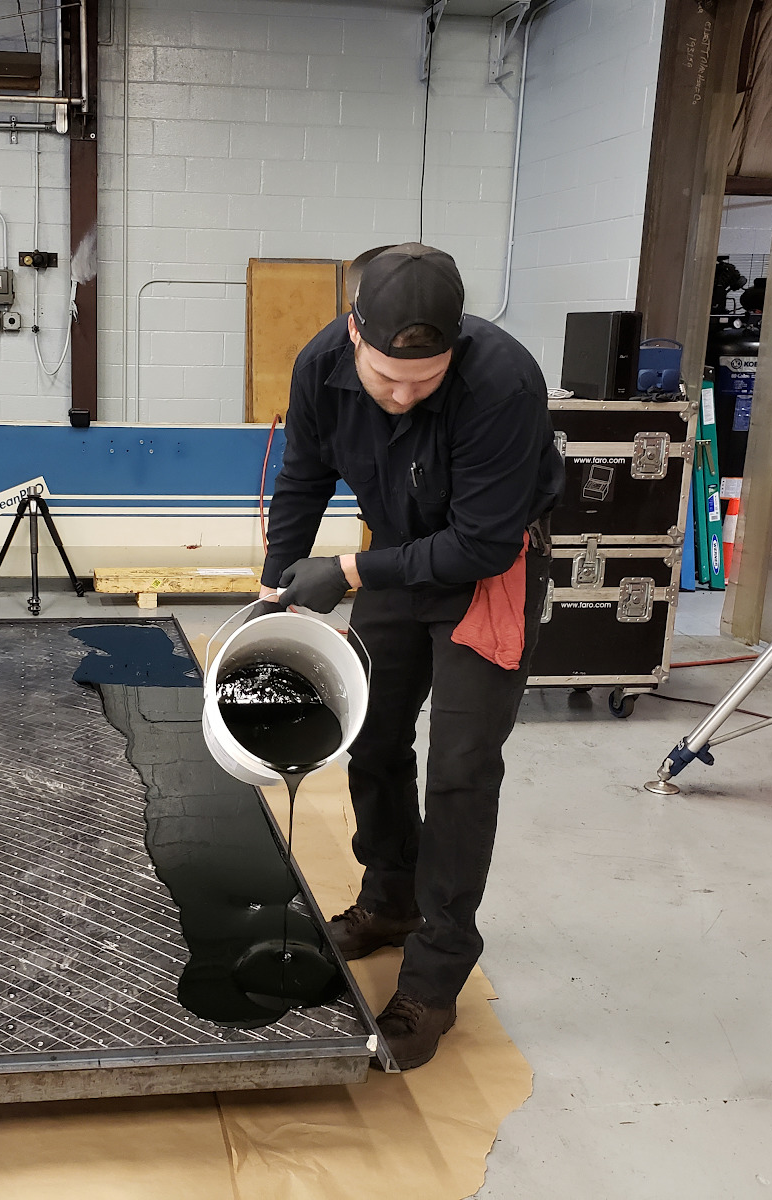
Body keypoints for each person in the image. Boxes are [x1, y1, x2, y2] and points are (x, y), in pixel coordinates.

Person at [256, 243, 562, 1069]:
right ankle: (388, 898)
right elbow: (303, 477)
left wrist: (348, 570)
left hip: (488, 568)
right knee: (372, 734)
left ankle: (434, 979)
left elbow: (478, 544)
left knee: (462, 768)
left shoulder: (504, 382)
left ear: (454, 349)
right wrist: (273, 590)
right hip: (397, 554)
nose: (399, 395)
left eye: (421, 382)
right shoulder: (320, 366)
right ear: (355, 332)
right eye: (386, 375)